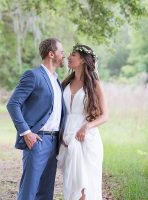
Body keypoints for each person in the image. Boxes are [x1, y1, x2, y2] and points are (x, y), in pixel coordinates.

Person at [7, 38, 66, 200]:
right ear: (51, 54)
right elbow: (13, 104)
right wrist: (26, 132)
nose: (64, 56)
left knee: (46, 193)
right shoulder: (33, 75)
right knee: (29, 190)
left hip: (54, 142)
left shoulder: (56, 80)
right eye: (62, 52)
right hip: (37, 140)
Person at [57, 44, 108, 200]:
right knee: (71, 185)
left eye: (73, 55)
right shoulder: (65, 83)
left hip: (87, 139)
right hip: (67, 138)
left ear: (83, 60)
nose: (68, 57)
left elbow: (105, 115)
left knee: (86, 187)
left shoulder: (94, 84)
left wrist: (87, 126)